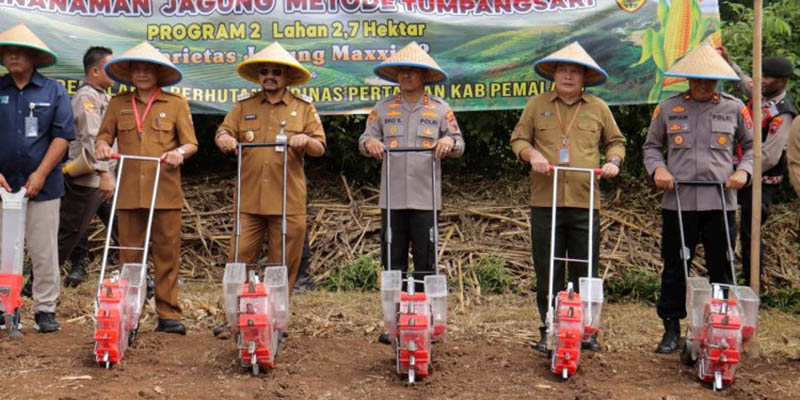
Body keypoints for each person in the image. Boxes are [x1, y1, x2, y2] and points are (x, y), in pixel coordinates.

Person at [509, 42, 626, 353]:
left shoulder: (598, 108)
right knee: (548, 269)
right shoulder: (537, 105)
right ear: (554, 75)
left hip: (585, 199)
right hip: (545, 199)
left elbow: (617, 142)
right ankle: (549, 328)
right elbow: (518, 138)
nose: (569, 76)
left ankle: (587, 331)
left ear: (585, 77)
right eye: (563, 70)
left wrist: (613, 162)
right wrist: (531, 154)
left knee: (586, 269)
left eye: (575, 71)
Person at [643, 44, 754, 354]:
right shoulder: (668, 109)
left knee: (723, 267)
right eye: (697, 78)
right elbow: (651, 147)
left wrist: (743, 173)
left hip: (721, 202)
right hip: (679, 202)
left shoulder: (734, 109)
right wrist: (659, 170)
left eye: (709, 79)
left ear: (718, 80)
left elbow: (753, 149)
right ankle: (670, 329)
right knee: (676, 266)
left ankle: (721, 328)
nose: (703, 84)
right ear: (688, 79)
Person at [359, 41, 465, 344]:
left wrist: (449, 144)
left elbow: (459, 142)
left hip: (425, 199)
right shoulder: (382, 108)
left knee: (426, 262)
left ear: (424, 76)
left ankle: (423, 318)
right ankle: (393, 321)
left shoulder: (440, 110)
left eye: (413, 72)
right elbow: (365, 138)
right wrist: (370, 144)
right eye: (402, 71)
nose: (406, 76)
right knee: (392, 263)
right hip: (392, 198)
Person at [95, 42, 198, 335]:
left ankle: (168, 314)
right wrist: (102, 148)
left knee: (167, 255)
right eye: (136, 68)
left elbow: (191, 143)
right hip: (128, 193)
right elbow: (102, 138)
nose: (141, 73)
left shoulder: (176, 103)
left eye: (147, 68)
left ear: (158, 73)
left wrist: (180, 152)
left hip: (164, 191)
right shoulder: (118, 103)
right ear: (129, 74)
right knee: (130, 256)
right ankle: (129, 314)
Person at [215, 42, 325, 294]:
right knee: (237, 260)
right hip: (249, 200)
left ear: (286, 76)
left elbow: (320, 147)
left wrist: (306, 141)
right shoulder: (244, 105)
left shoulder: (303, 107)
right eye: (264, 71)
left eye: (276, 72)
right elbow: (223, 131)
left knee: (283, 266)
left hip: (287, 199)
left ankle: (277, 321)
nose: (270, 76)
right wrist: (225, 139)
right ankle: (234, 317)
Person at [0, 24, 75, 333]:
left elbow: (62, 136)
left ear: (34, 57)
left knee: (43, 249)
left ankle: (45, 309)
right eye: (8, 51)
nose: (14, 56)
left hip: (44, 185)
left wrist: (41, 173)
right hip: (3, 185)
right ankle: (6, 306)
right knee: (4, 249)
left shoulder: (53, 90)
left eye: (20, 52)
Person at [721, 49, 796, 287]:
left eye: (768, 77)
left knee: (750, 232)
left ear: (782, 81)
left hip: (761, 180)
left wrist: (743, 173)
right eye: (762, 75)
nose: (762, 80)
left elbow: (769, 156)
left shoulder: (783, 113)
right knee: (727, 225)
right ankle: (726, 279)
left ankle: (752, 285)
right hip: (739, 173)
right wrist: (728, 61)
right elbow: (743, 82)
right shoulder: (760, 93)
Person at [58, 46, 117, 287]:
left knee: (124, 228)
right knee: (71, 232)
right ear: (94, 70)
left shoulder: (103, 96)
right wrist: (104, 172)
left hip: (107, 175)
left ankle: (141, 276)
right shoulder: (86, 97)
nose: (115, 73)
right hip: (89, 177)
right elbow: (91, 138)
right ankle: (38, 282)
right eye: (109, 68)